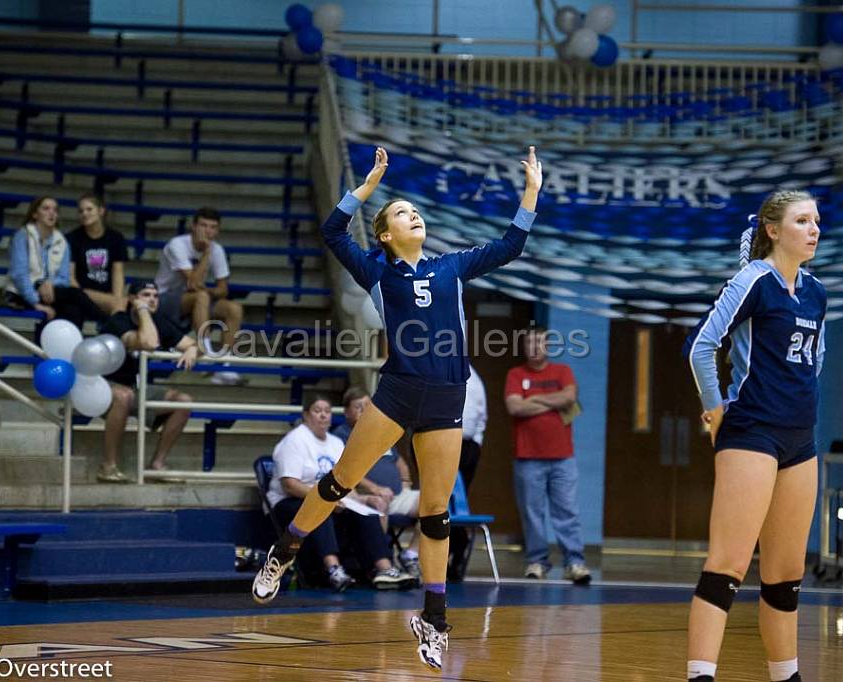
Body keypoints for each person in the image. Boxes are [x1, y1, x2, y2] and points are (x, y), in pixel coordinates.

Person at [252, 145, 542, 671]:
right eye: (404, 212)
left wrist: (531, 191)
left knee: (436, 511)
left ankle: (433, 619)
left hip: (448, 395)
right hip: (398, 391)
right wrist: (366, 189)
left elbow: (511, 245)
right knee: (340, 481)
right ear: (386, 234)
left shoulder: (452, 266)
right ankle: (286, 549)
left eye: (415, 210)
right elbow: (333, 234)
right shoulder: (378, 273)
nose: (415, 215)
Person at [682, 191, 826, 682]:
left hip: (800, 440)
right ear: (772, 230)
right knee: (728, 567)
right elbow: (702, 347)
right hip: (751, 433)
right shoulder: (753, 281)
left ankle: (786, 677)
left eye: (816, 221)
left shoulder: (816, 292)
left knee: (786, 578)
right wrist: (715, 410)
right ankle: (701, 676)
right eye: (802, 220)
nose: (814, 229)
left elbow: (815, 361)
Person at [269, 395, 416, 592]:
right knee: (321, 508)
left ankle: (384, 569)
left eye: (327, 411)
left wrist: (364, 498)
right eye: (317, 411)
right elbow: (290, 484)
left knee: (367, 511)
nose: (323, 416)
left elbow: (347, 482)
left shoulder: (335, 443)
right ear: (306, 415)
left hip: (328, 498)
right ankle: (333, 569)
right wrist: (324, 498)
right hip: (289, 501)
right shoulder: (295, 440)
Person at [505, 328, 590, 584]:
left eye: (539, 343)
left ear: (547, 347)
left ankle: (574, 562)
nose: (534, 348)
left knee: (567, 511)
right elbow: (514, 406)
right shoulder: (515, 374)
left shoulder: (562, 372)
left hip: (563, 457)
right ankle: (537, 561)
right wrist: (552, 401)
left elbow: (570, 397)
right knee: (532, 512)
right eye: (529, 343)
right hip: (527, 457)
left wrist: (533, 399)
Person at [97, 281, 197, 483]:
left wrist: (193, 348)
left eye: (155, 295)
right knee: (124, 396)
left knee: (183, 401)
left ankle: (157, 465)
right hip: (101, 385)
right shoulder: (118, 322)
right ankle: (108, 466)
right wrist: (142, 311)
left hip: (135, 387)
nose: (152, 299)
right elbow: (148, 343)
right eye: (145, 295)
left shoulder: (158, 321)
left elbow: (191, 343)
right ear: (132, 299)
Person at [333, 386, 422, 580]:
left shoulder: (380, 433)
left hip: (397, 494)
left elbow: (400, 463)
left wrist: (406, 482)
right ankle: (380, 565)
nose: (365, 410)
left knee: (434, 504)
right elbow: (346, 470)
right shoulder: (342, 435)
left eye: (368, 406)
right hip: (367, 494)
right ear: (347, 411)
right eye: (359, 407)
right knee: (378, 503)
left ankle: (410, 554)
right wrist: (374, 488)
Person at [154, 207, 242, 385]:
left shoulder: (218, 250)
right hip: (162, 300)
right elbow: (193, 284)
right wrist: (207, 253)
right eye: (203, 225)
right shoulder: (177, 245)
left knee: (234, 308)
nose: (208, 231)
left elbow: (223, 289)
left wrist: (207, 291)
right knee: (201, 295)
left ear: (217, 230)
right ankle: (207, 352)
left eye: (213, 227)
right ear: (193, 227)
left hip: (193, 300)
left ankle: (225, 364)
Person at [5, 196, 106, 329]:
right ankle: (105, 320)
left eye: (55, 210)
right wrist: (36, 302)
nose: (51, 213)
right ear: (35, 214)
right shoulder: (22, 236)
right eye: (46, 209)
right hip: (22, 293)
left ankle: (65, 349)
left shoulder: (62, 241)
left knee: (74, 311)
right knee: (75, 294)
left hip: (52, 293)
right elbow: (19, 274)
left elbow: (64, 278)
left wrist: (48, 284)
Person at [448, 363, 486, 581]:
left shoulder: (474, 377)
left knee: (456, 504)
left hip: (466, 446)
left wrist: (477, 444)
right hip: (436, 444)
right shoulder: (434, 370)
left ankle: (457, 549)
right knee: (439, 503)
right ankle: (444, 558)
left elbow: (482, 415)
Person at [67, 193, 128, 316]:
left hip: (108, 295)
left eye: (89, 209)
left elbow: (118, 273)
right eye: (81, 211)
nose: (84, 214)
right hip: (82, 293)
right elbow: (70, 278)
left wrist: (116, 298)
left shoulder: (116, 238)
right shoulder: (72, 238)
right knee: (120, 305)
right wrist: (82, 296)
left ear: (101, 211)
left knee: (126, 304)